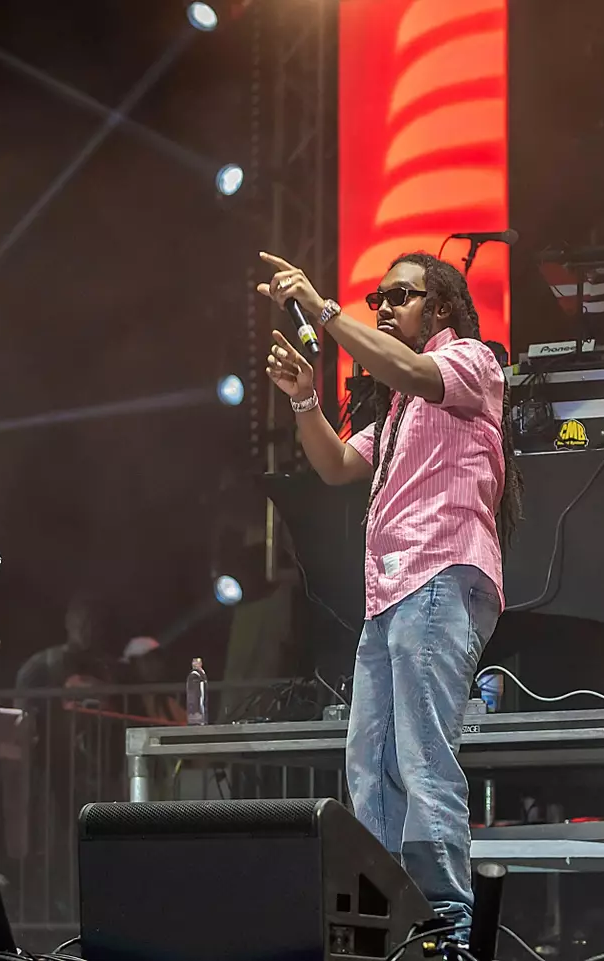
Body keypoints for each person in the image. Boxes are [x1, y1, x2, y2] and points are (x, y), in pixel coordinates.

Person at [256, 250, 522, 941]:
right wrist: (304, 399)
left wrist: (323, 309)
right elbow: (338, 463)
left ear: (439, 309)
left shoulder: (470, 360)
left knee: (420, 754)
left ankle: (448, 924)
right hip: (392, 594)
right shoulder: (403, 406)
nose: (382, 306)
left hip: (438, 578)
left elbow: (405, 366)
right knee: (368, 765)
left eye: (397, 296)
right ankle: (377, 923)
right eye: (376, 296)